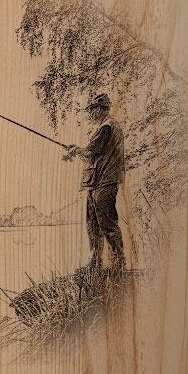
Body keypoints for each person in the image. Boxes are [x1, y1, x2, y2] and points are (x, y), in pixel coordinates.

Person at [62, 93, 126, 270]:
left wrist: (76, 150)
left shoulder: (106, 127)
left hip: (104, 181)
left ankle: (118, 263)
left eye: (92, 109)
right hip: (96, 182)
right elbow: (93, 155)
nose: (89, 113)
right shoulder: (106, 126)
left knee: (106, 223)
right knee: (93, 224)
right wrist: (76, 150)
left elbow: (90, 153)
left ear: (101, 109)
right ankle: (96, 262)